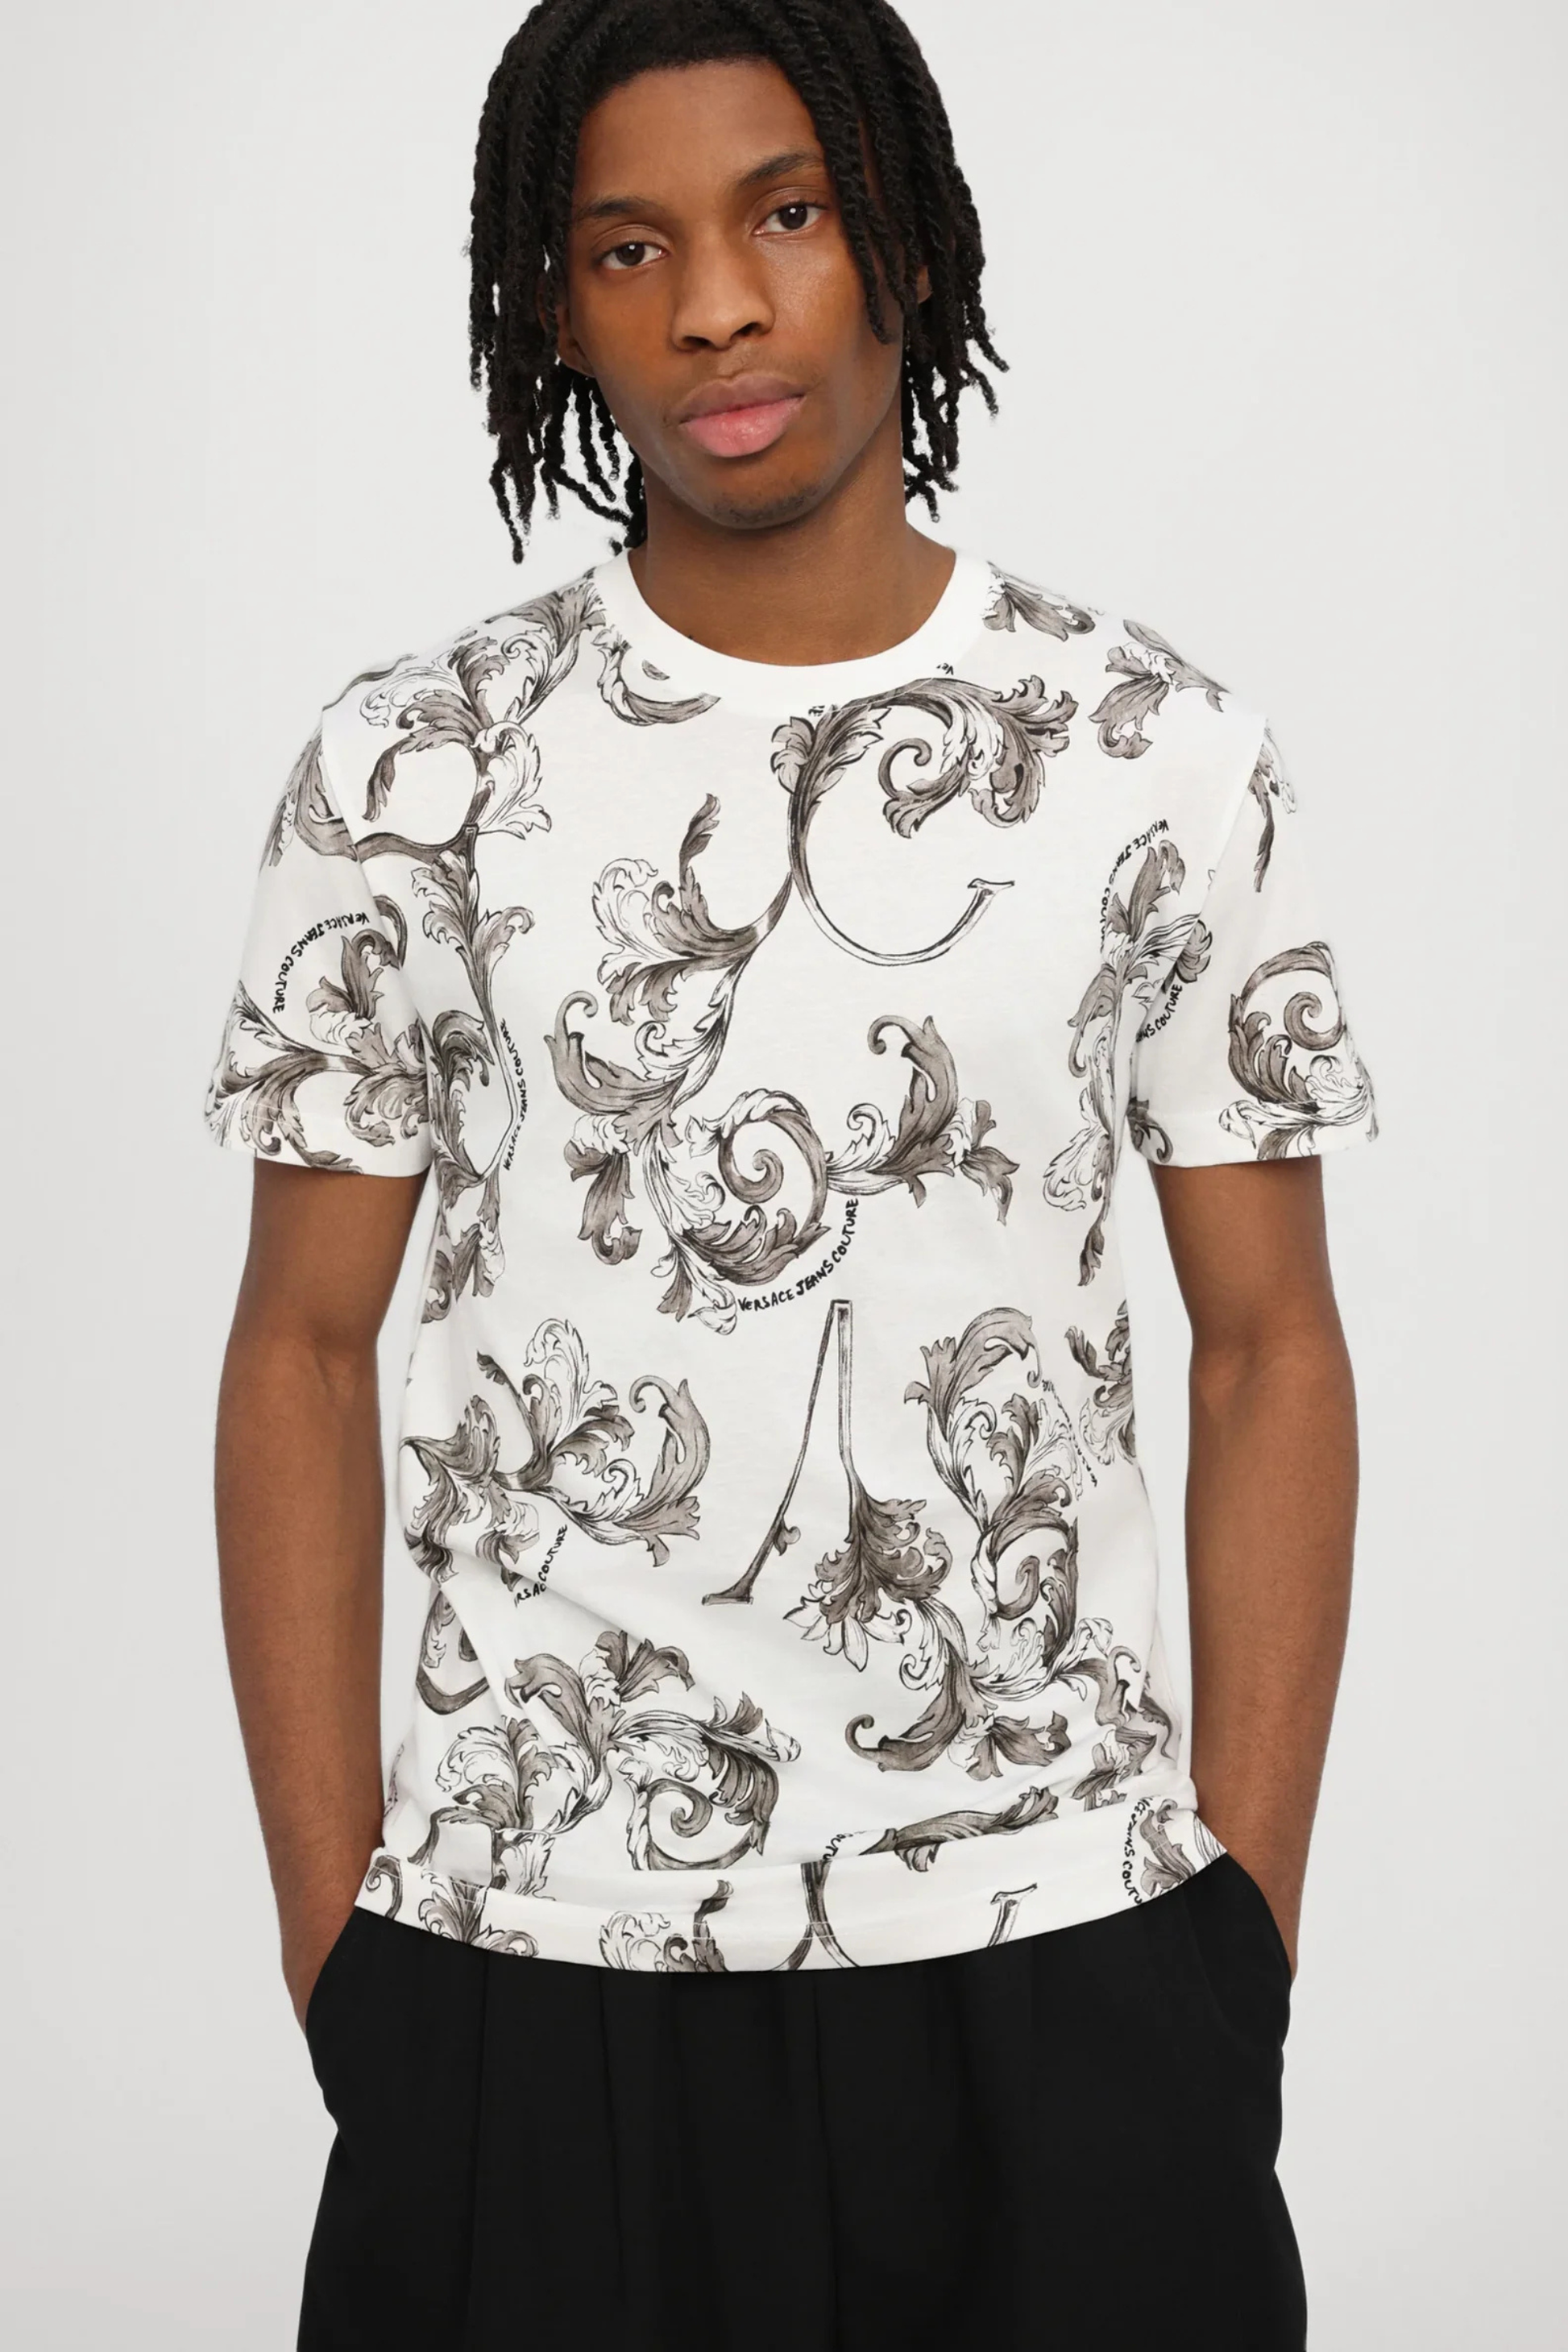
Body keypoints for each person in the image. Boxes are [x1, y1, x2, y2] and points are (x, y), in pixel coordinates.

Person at [206, 3, 1376, 2345]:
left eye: (788, 214)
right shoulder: (411, 768)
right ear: (553, 309)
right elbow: (301, 1350)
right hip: (532, 1960)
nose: (716, 308)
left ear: (906, 246)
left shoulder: (1155, 752)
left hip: (1065, 1954)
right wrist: (345, 1950)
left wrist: (1235, 1935)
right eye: (626, 247)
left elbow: (1269, 1345)